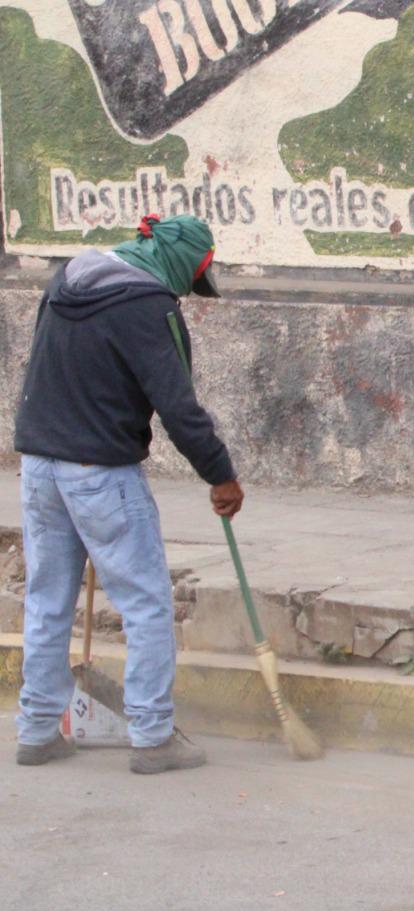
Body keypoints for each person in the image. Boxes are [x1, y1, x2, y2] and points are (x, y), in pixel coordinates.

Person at [12, 214, 242, 774]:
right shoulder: (148, 307)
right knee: (145, 603)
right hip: (100, 473)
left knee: (46, 600)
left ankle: (38, 729)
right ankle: (153, 735)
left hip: (40, 465)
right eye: (191, 283)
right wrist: (220, 474)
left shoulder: (67, 279)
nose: (184, 296)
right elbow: (178, 406)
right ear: (184, 265)